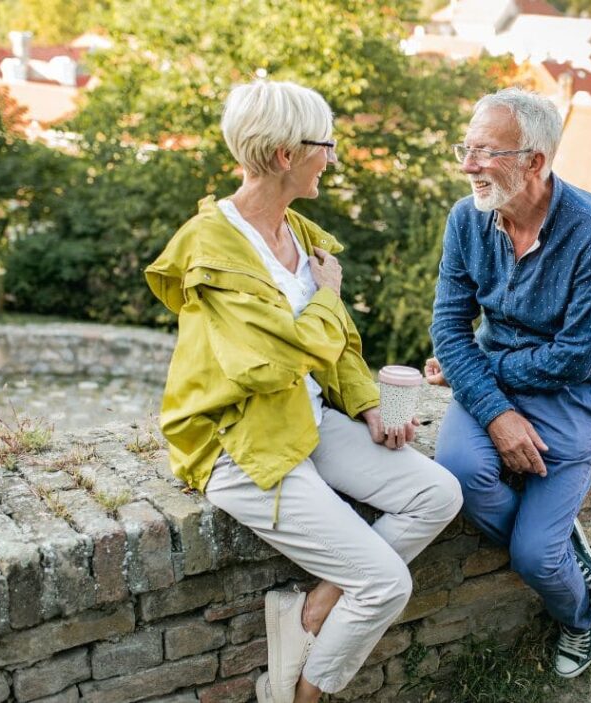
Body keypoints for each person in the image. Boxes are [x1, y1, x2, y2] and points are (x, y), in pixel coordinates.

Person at [145, 79, 462, 703]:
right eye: (327, 144)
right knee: (386, 584)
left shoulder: (302, 235)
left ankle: (315, 606)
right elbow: (269, 363)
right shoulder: (213, 248)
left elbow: (336, 342)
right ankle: (297, 695)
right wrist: (327, 296)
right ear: (287, 155)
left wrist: (367, 405)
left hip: (304, 420)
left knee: (438, 493)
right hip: (240, 441)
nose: (334, 157)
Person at [426, 88, 591, 678]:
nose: (467, 165)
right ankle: (567, 546)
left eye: (485, 152)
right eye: (467, 148)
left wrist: (477, 376)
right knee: (460, 473)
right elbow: (448, 326)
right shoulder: (467, 219)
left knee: (535, 557)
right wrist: (492, 408)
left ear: (534, 161)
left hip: (570, 395)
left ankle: (578, 617)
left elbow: (575, 357)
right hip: (489, 385)